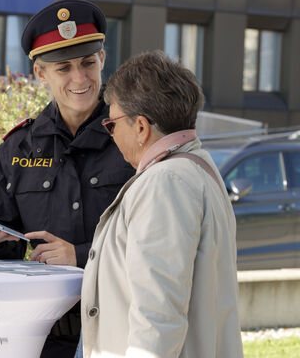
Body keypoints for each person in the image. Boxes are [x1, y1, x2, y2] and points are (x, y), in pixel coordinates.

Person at [0, 0, 135, 358]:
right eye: (63, 68)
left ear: (102, 59)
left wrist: (80, 255)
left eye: (88, 63)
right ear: (41, 74)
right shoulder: (17, 148)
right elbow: (0, 267)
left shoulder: (133, 136)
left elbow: (156, 241)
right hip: (41, 340)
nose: (80, 78)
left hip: (120, 334)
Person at [79, 50, 243, 357]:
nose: (110, 135)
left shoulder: (164, 182)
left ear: (140, 127)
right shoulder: (196, 167)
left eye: (111, 124)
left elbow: (156, 316)